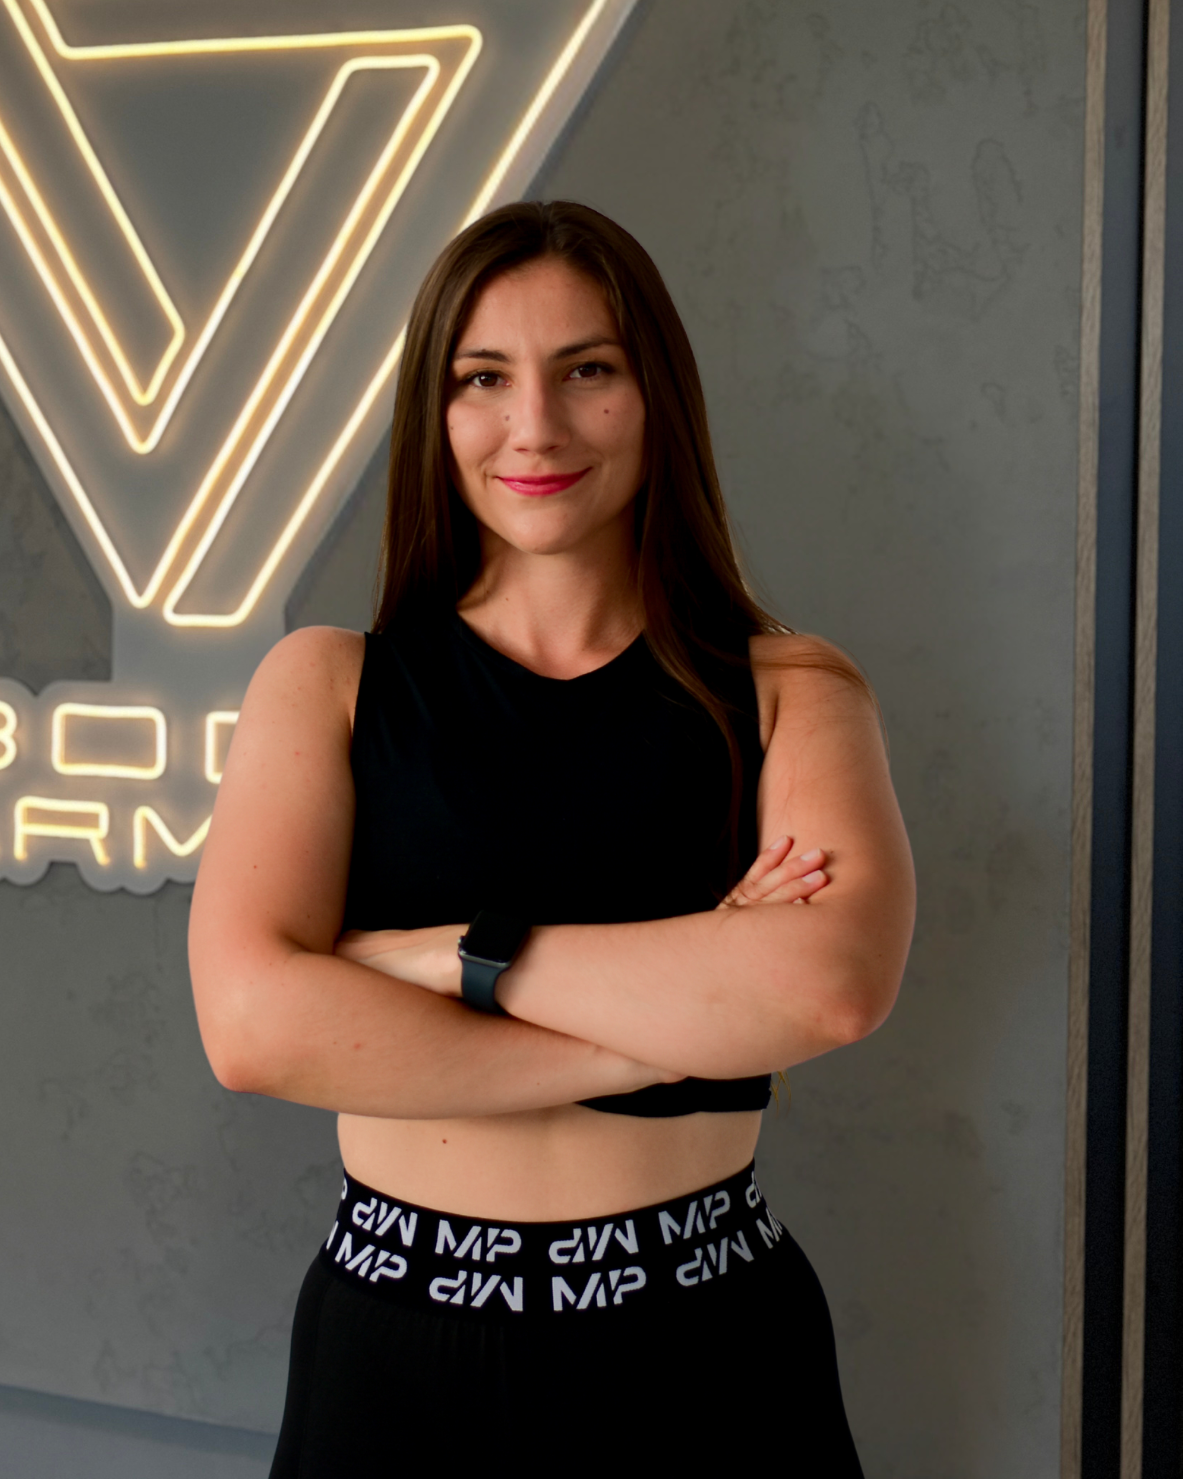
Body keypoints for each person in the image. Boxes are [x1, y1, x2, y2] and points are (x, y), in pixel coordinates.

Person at [188, 200, 914, 1476]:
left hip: (706, 1346)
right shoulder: (328, 684)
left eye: (587, 369)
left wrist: (448, 959)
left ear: (656, 394)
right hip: (395, 1353)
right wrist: (675, 1025)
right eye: (483, 377)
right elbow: (253, 1027)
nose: (535, 425)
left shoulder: (791, 689)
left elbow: (827, 988)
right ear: (436, 410)